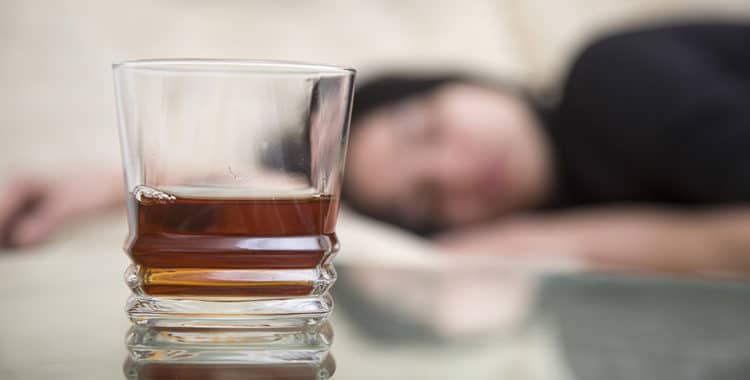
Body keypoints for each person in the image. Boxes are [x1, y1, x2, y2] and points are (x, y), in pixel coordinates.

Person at [2, 23, 749, 275]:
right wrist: (123, 186)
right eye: (426, 198)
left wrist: (526, 240)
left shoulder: (610, 81)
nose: (456, 171)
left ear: (454, 81)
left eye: (426, 128)